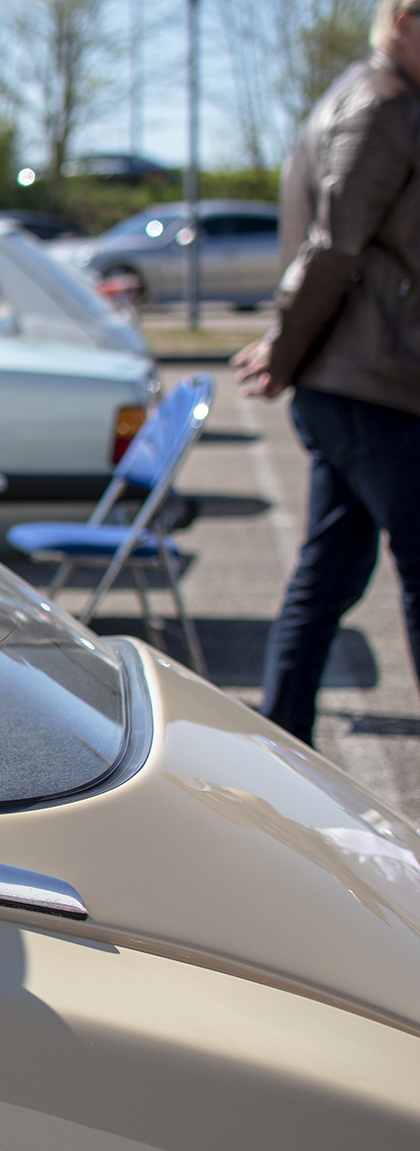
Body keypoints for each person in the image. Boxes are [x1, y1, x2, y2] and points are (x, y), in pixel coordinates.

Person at [234, 0, 420, 746]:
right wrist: (284, 347)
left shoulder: (381, 98)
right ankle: (282, 729)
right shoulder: (382, 107)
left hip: (358, 380)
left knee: (331, 572)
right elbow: (334, 244)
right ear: (404, 21)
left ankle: (283, 734)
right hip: (371, 382)